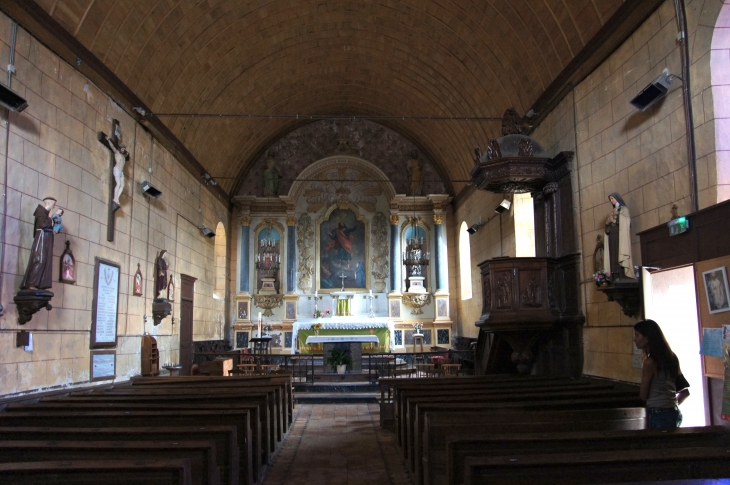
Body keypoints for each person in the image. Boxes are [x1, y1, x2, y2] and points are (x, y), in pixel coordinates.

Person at [633, 319, 690, 429]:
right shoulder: (672, 357)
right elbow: (685, 392)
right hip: (674, 412)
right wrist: (670, 406)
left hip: (657, 413)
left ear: (647, 338)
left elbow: (643, 395)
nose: (634, 339)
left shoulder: (650, 362)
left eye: (637, 335)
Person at [20, 197, 57, 290]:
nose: (54, 206)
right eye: (54, 204)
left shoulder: (46, 214)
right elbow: (43, 225)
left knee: (45, 261)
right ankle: (32, 283)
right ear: (48, 203)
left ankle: (40, 283)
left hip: (46, 240)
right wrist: (49, 218)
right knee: (39, 259)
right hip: (41, 240)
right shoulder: (40, 212)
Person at [603, 192, 634, 281]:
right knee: (613, 255)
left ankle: (622, 275)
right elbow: (607, 229)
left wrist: (618, 216)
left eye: (612, 198)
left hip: (620, 238)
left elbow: (628, 222)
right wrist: (607, 223)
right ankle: (615, 275)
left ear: (617, 198)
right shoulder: (612, 212)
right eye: (610, 199)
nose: (611, 201)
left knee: (620, 254)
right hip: (612, 238)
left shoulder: (624, 210)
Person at [105, 135, 129, 211]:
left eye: (124, 149)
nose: (123, 150)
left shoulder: (123, 156)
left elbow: (127, 154)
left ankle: (117, 198)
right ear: (120, 148)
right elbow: (112, 147)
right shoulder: (117, 153)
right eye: (122, 148)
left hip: (121, 172)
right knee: (118, 184)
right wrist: (109, 140)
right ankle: (115, 198)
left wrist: (126, 153)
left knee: (122, 186)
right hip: (117, 169)